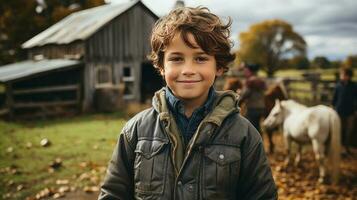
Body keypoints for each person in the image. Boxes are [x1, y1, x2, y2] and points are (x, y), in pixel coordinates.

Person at [98, 6, 277, 200]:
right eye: (176, 59)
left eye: (200, 58)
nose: (188, 70)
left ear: (219, 66)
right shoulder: (135, 130)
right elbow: (113, 194)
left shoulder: (244, 134)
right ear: (161, 67)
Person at [332, 67, 357, 155]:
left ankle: (347, 148)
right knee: (339, 130)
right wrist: (333, 107)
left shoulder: (354, 86)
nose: (341, 76)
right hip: (339, 112)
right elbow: (334, 98)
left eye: (343, 74)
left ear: (348, 76)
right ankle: (339, 148)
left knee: (348, 131)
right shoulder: (338, 86)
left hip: (350, 112)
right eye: (341, 74)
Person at [239, 63, 267, 133]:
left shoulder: (249, 81)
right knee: (257, 126)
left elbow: (245, 94)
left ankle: (254, 143)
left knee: (250, 128)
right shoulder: (261, 81)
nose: (244, 73)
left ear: (250, 71)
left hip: (252, 108)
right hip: (261, 107)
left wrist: (239, 93)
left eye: (246, 71)